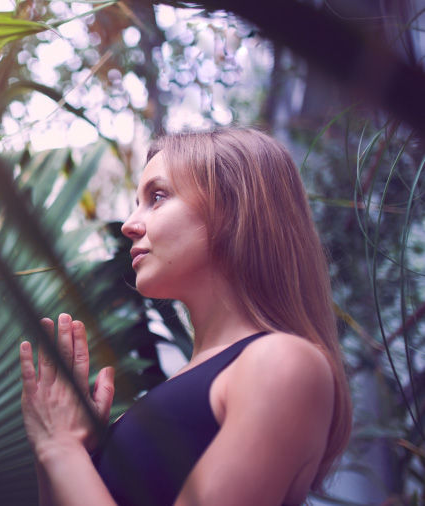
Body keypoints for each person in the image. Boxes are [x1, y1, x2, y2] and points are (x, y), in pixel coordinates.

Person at [18, 127, 352, 505]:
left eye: (156, 197)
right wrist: (65, 449)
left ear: (232, 209)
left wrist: (61, 449)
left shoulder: (283, 362)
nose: (129, 224)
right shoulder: (168, 395)